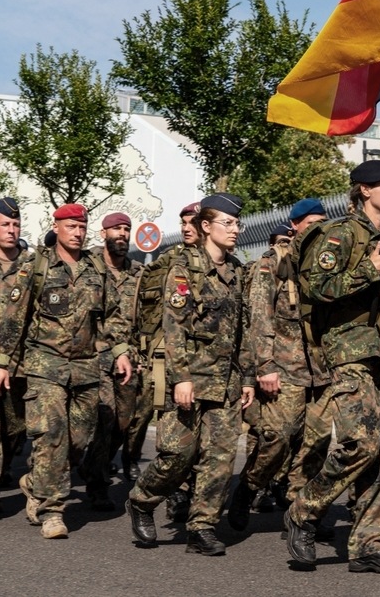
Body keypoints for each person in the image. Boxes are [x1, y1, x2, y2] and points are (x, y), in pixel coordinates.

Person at [284, 161, 380, 573]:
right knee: (361, 443)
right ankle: (304, 512)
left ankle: (368, 544)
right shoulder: (340, 233)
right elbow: (314, 288)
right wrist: (366, 270)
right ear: (363, 190)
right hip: (349, 348)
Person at [126, 193, 255, 556]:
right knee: (176, 456)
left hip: (226, 383)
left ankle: (202, 527)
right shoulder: (183, 268)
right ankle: (142, 500)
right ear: (206, 226)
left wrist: (246, 378)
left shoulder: (238, 272)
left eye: (236, 223)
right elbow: (174, 325)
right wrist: (180, 377)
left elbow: (243, 330)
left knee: (220, 457)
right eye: (227, 223)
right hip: (189, 379)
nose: (235, 229)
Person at [0, 203, 133, 539]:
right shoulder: (37, 266)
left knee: (79, 440)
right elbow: (15, 316)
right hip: (45, 364)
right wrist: (2, 361)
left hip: (86, 368)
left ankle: (35, 480)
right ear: (56, 227)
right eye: (71, 226)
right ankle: (51, 511)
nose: (77, 233)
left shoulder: (95, 268)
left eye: (82, 227)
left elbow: (112, 313)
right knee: (51, 435)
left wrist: (119, 351)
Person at [229, 203, 328, 533]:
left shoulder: (327, 265)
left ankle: (302, 512)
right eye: (310, 223)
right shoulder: (272, 263)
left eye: (322, 224)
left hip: (321, 369)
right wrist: (265, 366)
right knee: (278, 440)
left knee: (316, 442)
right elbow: (259, 317)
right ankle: (248, 487)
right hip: (283, 368)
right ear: (294, 226)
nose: (317, 230)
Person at [127, 202, 202, 524]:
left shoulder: (230, 267)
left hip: (212, 362)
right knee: (176, 432)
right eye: (183, 222)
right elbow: (142, 314)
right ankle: (176, 490)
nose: (186, 228)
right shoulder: (164, 266)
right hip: (167, 356)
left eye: (192, 222)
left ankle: (194, 492)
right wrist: (141, 354)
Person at [81, 212, 143, 509]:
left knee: (124, 421)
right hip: (94, 356)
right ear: (103, 233)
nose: (122, 234)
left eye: (126, 229)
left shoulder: (139, 273)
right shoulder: (87, 267)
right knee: (104, 422)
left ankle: (94, 463)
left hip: (129, 359)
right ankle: (98, 485)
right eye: (116, 229)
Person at [0, 197, 26, 492]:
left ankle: (7, 468)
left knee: (18, 428)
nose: (11, 230)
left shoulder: (32, 266)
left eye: (16, 224)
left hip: (22, 363)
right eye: (5, 224)